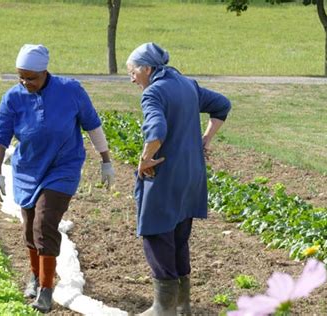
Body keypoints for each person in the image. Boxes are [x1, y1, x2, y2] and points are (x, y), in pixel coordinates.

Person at [0, 44, 115, 313]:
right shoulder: (13, 98)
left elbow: (92, 124)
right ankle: (35, 276)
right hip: (27, 170)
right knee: (29, 227)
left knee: (45, 223)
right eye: (20, 76)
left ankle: (46, 289)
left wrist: (106, 161)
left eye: (31, 77)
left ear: (45, 71)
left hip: (63, 167)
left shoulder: (71, 91)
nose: (25, 82)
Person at [126, 43, 231, 316]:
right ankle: (182, 305)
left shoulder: (153, 93)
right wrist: (205, 139)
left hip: (166, 176)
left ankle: (164, 309)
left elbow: (156, 130)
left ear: (147, 68)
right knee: (178, 237)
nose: (132, 78)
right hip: (191, 176)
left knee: (155, 234)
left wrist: (145, 159)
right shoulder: (187, 84)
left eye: (133, 72)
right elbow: (222, 104)